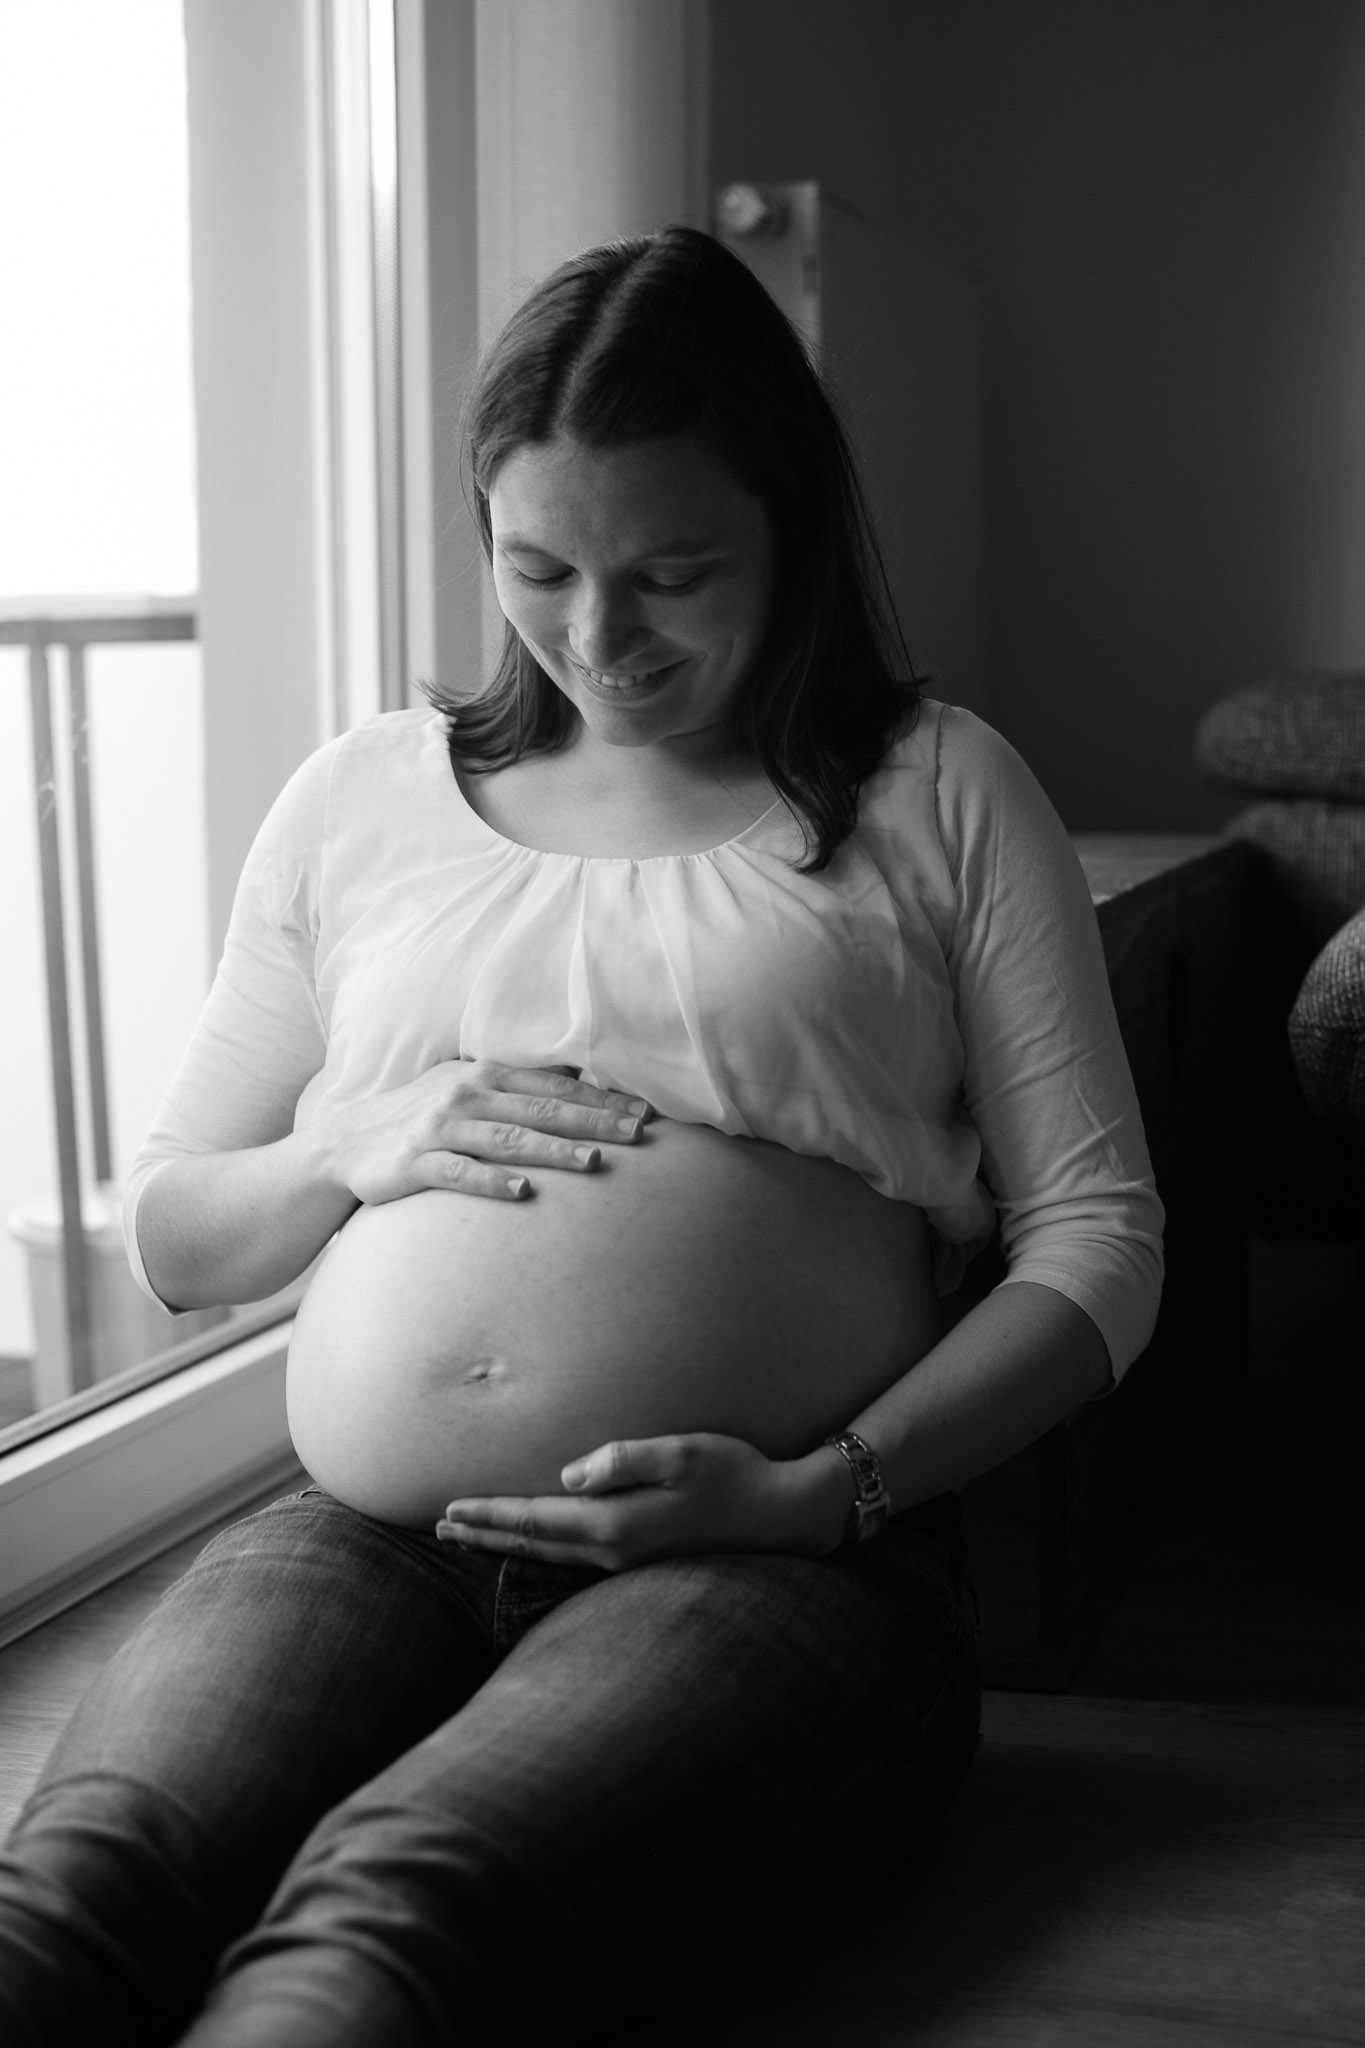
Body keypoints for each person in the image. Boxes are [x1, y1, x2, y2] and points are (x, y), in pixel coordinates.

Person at [0, 225, 1162, 2046]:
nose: (600, 640)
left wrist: (824, 1492)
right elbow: (173, 1233)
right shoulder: (361, 797)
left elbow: (1099, 1243)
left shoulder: (935, 788)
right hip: (364, 1535)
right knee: (74, 1895)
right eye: (538, 568)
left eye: (671, 575)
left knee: (385, 1929)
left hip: (773, 1560)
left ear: (788, 529)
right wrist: (345, 1146)